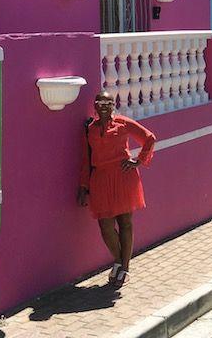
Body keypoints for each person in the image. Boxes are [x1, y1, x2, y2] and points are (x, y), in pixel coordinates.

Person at [78, 91, 156, 288]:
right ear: (95, 106)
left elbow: (149, 138)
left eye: (108, 102)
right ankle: (119, 261)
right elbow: (86, 159)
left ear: (113, 104)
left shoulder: (122, 123)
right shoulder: (90, 129)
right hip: (101, 179)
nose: (103, 105)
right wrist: (83, 186)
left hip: (123, 176)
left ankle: (124, 268)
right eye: (100, 102)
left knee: (125, 223)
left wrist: (138, 161)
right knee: (105, 226)